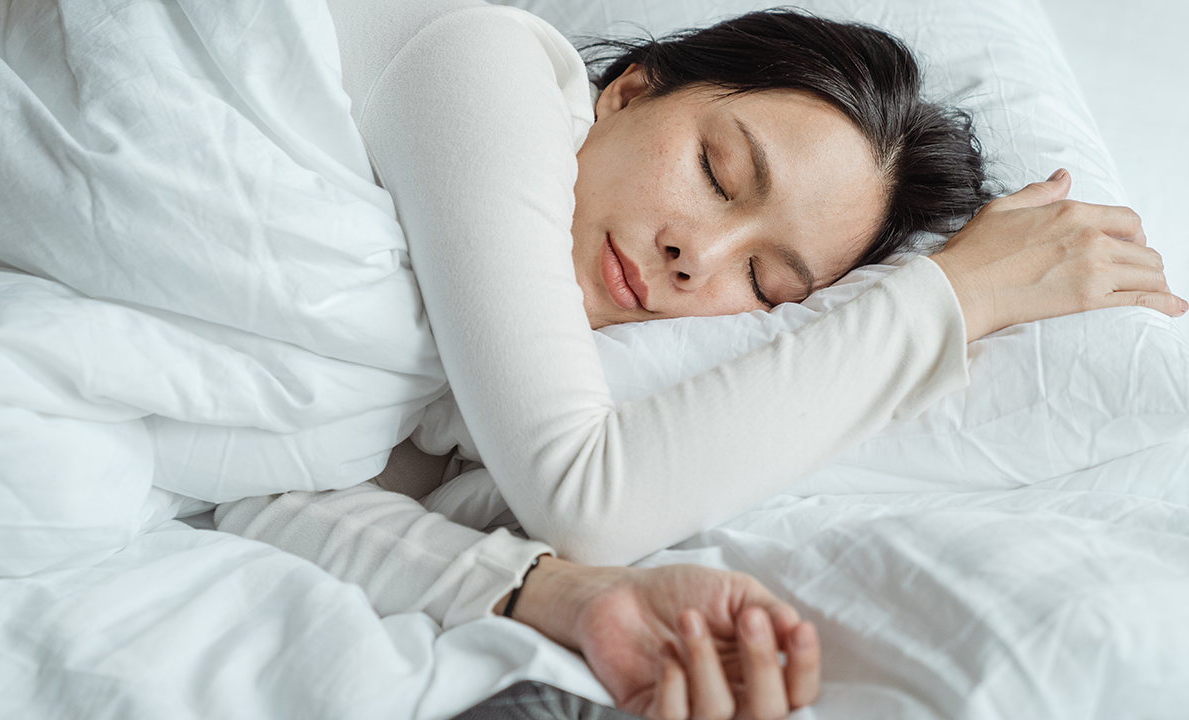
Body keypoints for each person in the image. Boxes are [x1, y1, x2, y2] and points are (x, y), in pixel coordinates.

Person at [216, 3, 1181, 719]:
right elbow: (587, 496)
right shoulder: (481, 62)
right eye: (719, 173)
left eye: (765, 283)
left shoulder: (448, 387)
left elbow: (253, 493)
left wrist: (556, 594)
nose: (698, 257)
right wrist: (955, 298)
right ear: (630, 90)